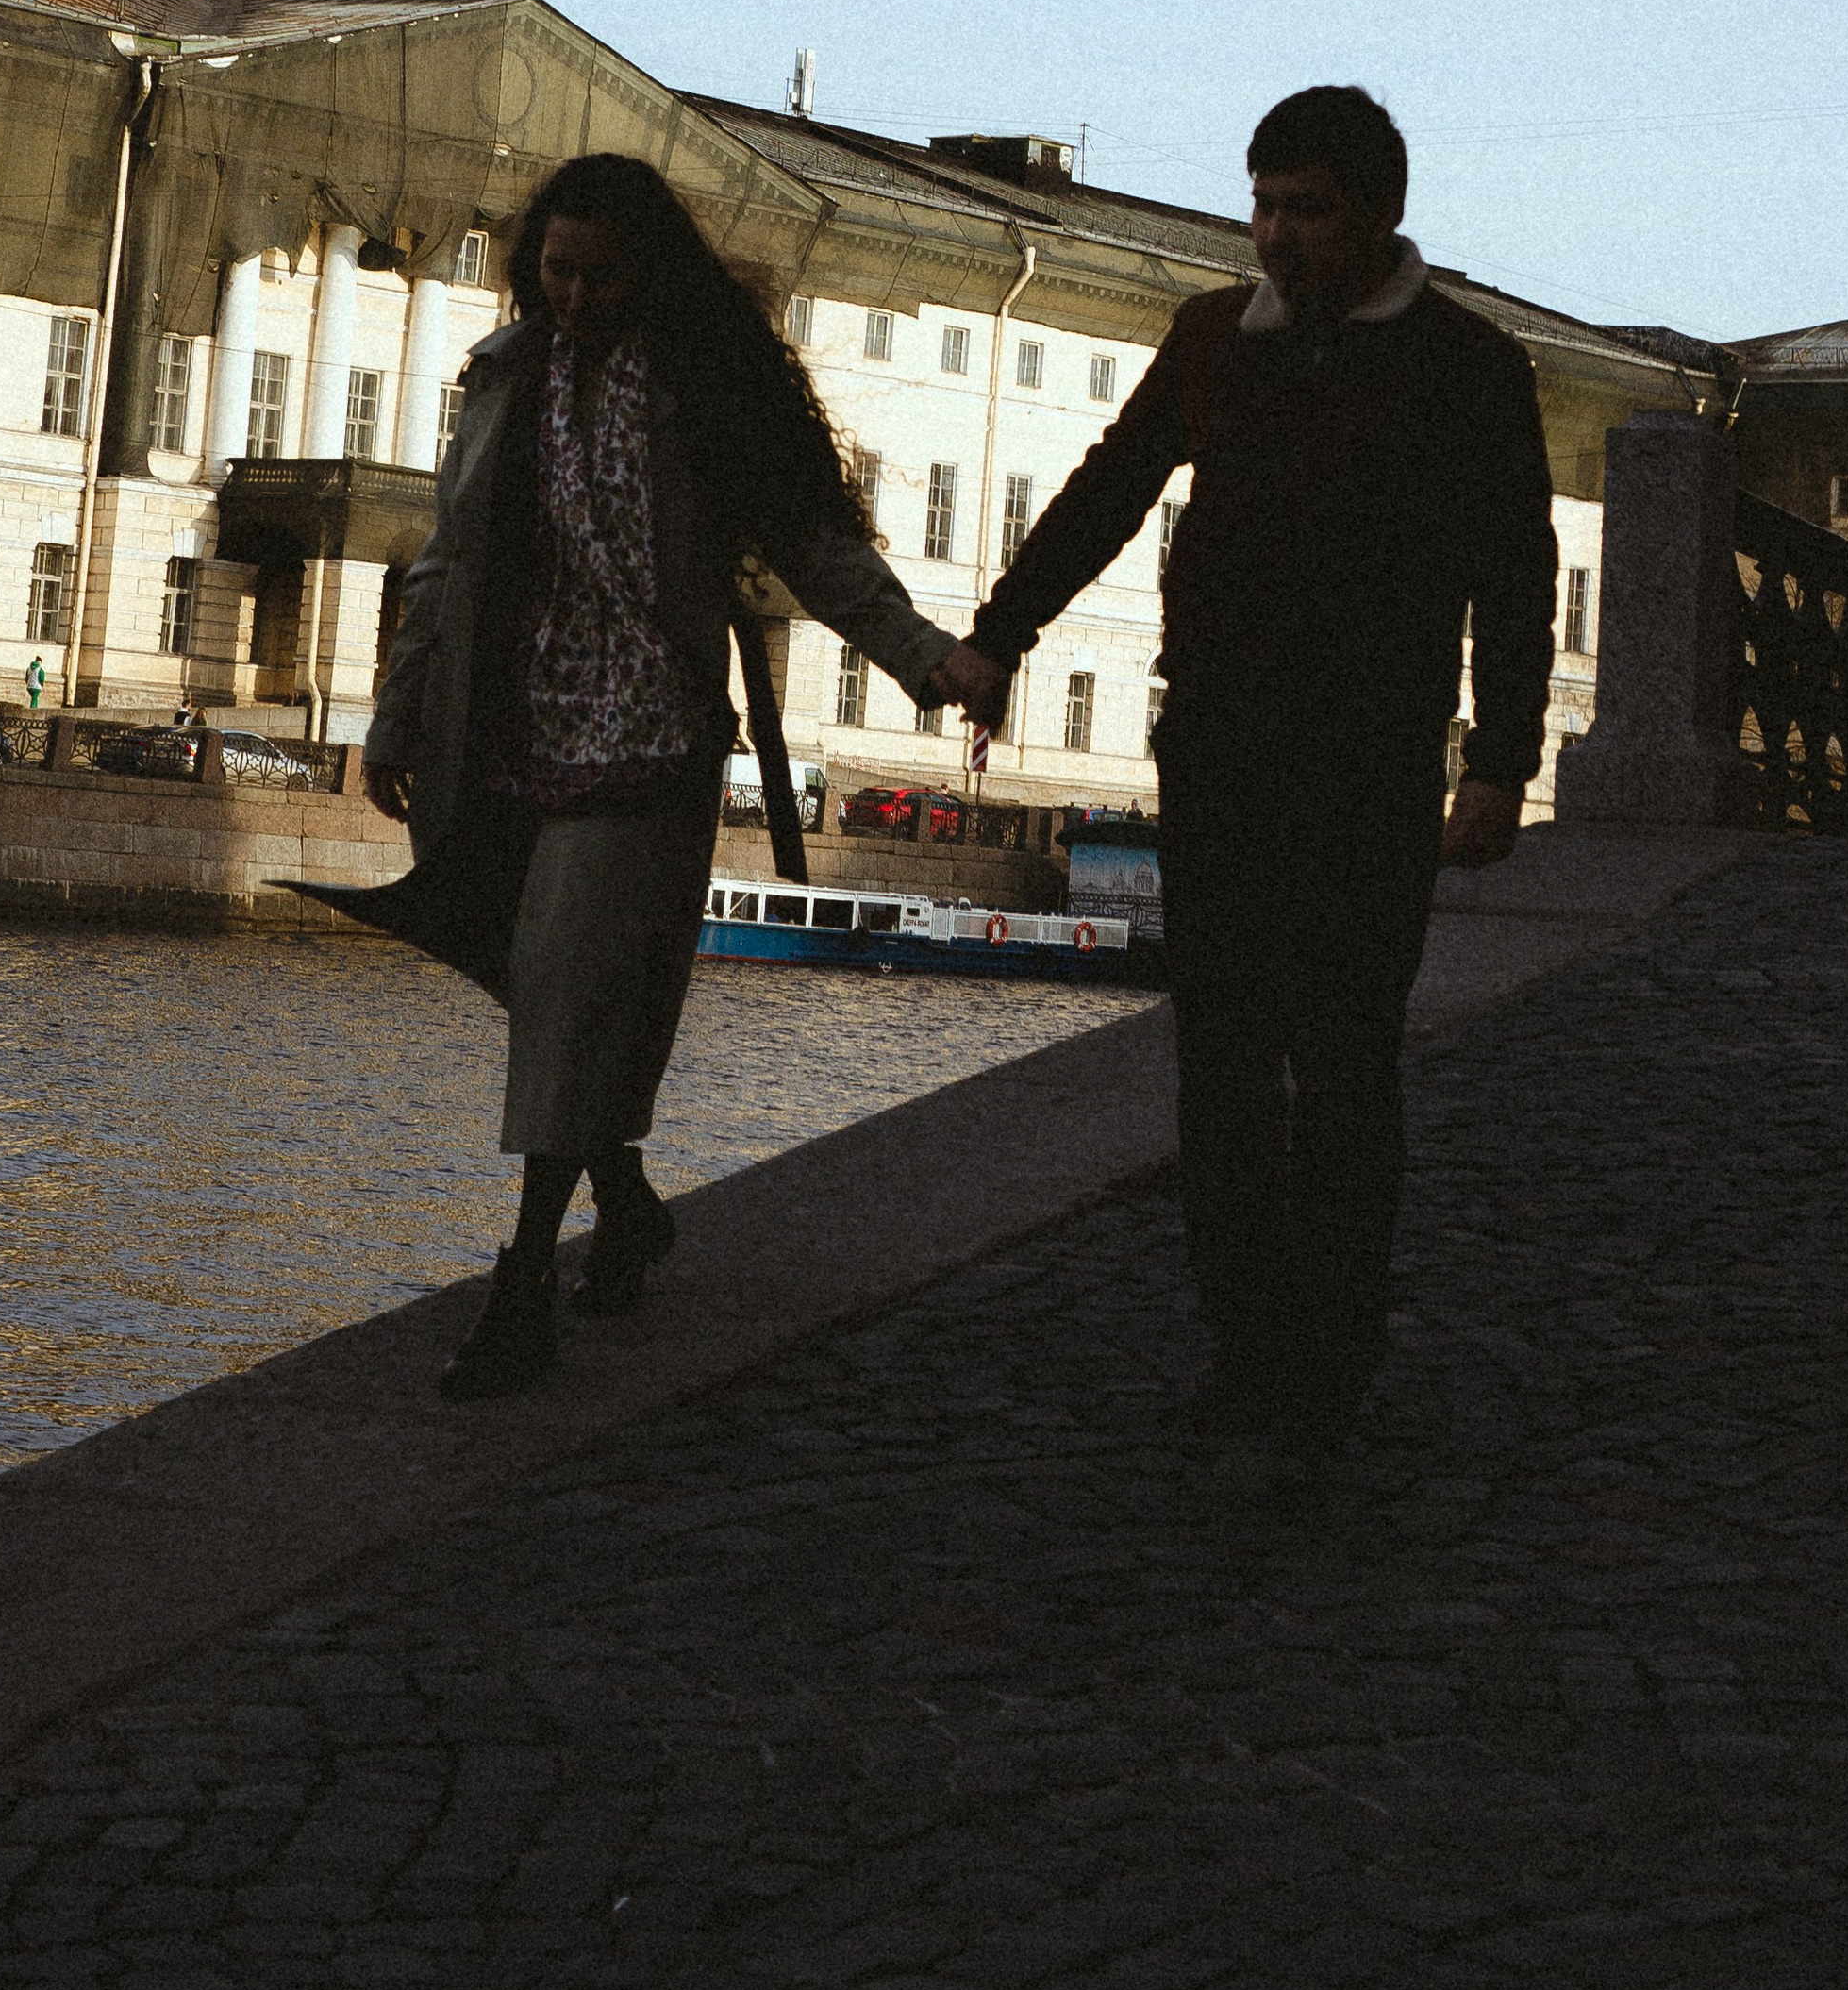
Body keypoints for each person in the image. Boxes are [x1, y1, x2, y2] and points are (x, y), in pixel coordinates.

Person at [931, 84, 1557, 1462]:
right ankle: (1246, 1341)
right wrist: (999, 637)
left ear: (1381, 215)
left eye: (1306, 211)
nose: (1275, 236)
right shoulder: (1215, 339)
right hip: (1217, 749)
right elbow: (1108, 486)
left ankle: (1329, 1354)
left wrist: (1500, 764)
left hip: (1371, 766)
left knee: (1341, 1065)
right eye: (1262, 205)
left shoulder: (1467, 365)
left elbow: (1516, 580)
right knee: (1217, 1063)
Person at [362, 154, 959, 1400]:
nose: (574, 296)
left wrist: (920, 656)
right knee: (544, 985)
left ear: (651, 274)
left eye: (601, 276)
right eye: (556, 271)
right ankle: (625, 1202)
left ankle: (523, 1290)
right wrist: (397, 713)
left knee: (572, 984)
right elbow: (451, 557)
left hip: (648, 734)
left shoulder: (700, 382)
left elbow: (812, 542)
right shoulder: (509, 375)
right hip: (515, 726)